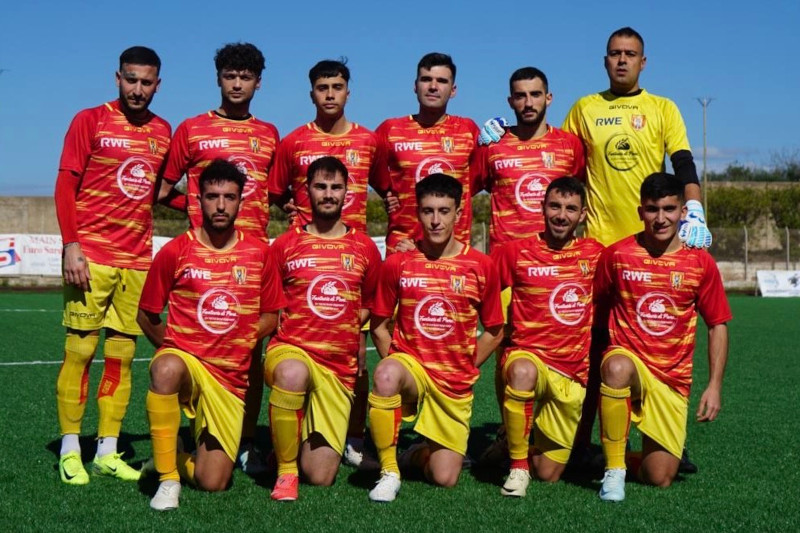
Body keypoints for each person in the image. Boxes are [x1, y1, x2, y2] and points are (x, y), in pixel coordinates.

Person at [159, 42, 280, 473]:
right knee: (198, 343)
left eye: (245, 77)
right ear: (218, 78)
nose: (237, 84)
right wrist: (195, 209)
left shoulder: (269, 134)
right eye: (230, 76)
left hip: (251, 262)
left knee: (249, 352)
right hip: (204, 259)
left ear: (258, 83)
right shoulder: (191, 129)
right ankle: (186, 434)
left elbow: (278, 194)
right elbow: (162, 189)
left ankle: (244, 441)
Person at [137, 159, 286, 510]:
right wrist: (174, 347)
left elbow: (272, 314)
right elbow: (146, 314)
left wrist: (248, 337)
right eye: (212, 196)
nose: (220, 205)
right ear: (198, 200)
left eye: (229, 197)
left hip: (229, 379)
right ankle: (167, 481)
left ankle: (172, 457)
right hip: (188, 362)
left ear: (240, 201)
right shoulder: (176, 250)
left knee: (213, 482)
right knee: (166, 368)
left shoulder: (259, 253)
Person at [54, 46, 171, 485]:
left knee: (122, 356)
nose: (137, 89)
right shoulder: (90, 120)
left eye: (146, 82)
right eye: (130, 79)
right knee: (81, 350)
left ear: (158, 85)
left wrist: (199, 205)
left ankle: (106, 448)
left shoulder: (163, 130)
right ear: (117, 78)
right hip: (93, 256)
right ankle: (70, 449)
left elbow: (158, 191)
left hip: (137, 260)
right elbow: (66, 183)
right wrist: (71, 245)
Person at [268, 59, 383, 467]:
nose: (330, 93)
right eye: (322, 87)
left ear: (348, 91)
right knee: (292, 344)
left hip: (352, 262)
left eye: (337, 86)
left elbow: (390, 188)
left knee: (358, 352)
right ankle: (284, 433)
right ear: (311, 93)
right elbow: (274, 190)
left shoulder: (369, 141)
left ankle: (354, 437)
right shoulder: (294, 141)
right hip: (306, 260)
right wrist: (296, 222)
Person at [593, 172, 731, 502]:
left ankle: (622, 459)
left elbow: (718, 325)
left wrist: (714, 386)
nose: (661, 218)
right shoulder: (617, 256)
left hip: (672, 379)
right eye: (652, 209)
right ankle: (613, 472)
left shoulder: (700, 262)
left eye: (669, 209)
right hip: (628, 362)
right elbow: (597, 310)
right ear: (640, 211)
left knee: (660, 477)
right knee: (616, 368)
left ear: (683, 212)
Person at [367, 173, 504, 502]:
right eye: (428, 211)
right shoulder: (398, 263)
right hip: (412, 371)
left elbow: (495, 331)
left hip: (452, 384)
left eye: (444, 211)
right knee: (386, 374)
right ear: (418, 213)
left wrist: (465, 364)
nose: (435, 220)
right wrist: (397, 368)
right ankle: (389, 471)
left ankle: (411, 454)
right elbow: (379, 325)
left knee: (444, 478)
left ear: (459, 214)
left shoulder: (481, 266)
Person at [265, 157, 382, 501]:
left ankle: (288, 442)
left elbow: (369, 304)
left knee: (321, 476)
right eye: (320, 187)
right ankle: (286, 472)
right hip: (291, 350)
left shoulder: (364, 248)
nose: (328, 195)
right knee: (291, 373)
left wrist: (356, 336)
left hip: (337, 367)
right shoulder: (284, 245)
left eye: (335, 187)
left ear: (348, 193)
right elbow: (269, 306)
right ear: (307, 192)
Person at [491, 177, 604, 497]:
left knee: (549, 473)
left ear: (582, 215)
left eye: (570, 209)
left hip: (570, 373)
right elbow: (483, 291)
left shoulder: (595, 255)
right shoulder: (515, 252)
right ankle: (517, 467)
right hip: (528, 358)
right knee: (523, 371)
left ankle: (511, 443)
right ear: (542, 208)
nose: (561, 215)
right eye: (554, 206)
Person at [373, 53, 481, 255]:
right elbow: (359, 168)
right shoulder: (391, 129)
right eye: (426, 79)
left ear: (453, 90)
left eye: (441, 81)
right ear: (415, 86)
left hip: (454, 254)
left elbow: (482, 179)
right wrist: (386, 192)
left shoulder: (468, 130)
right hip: (403, 249)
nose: (433, 86)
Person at [475, 67, 585, 248]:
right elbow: (460, 192)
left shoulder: (570, 145)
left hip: (555, 259)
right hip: (506, 260)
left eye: (535, 94)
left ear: (548, 98)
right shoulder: (493, 145)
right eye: (520, 96)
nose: (528, 103)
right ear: (510, 101)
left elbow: (587, 189)